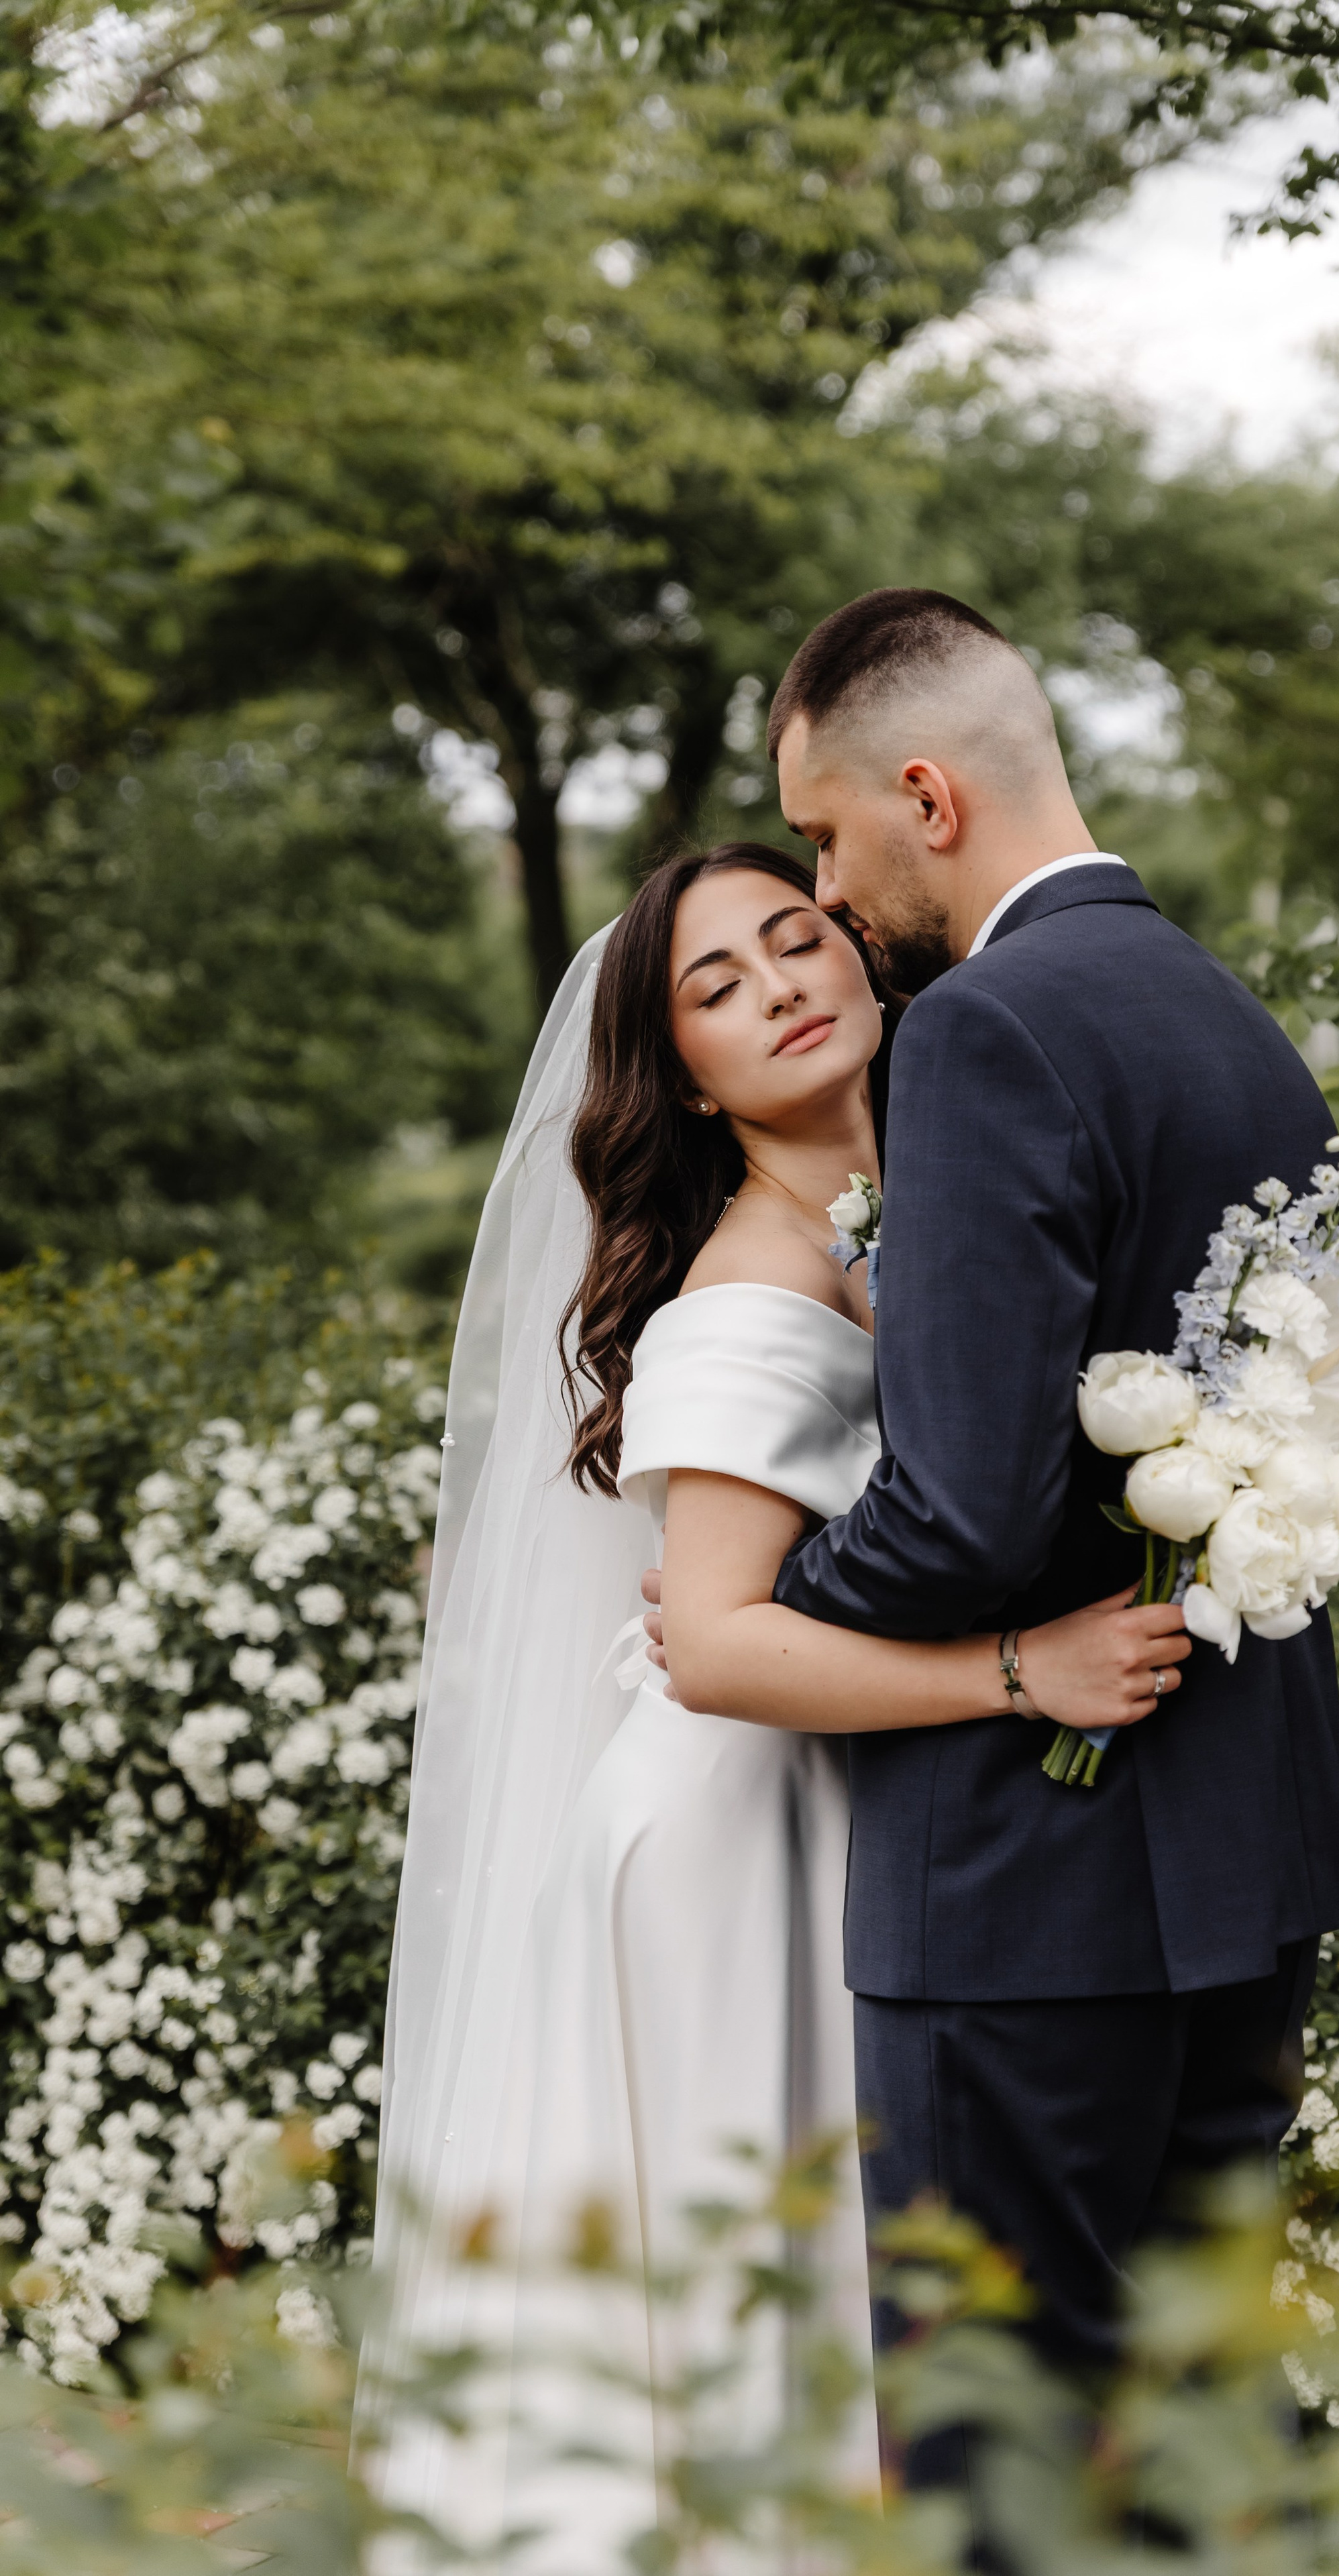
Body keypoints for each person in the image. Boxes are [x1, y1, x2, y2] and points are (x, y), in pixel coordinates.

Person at [372, 840, 1187, 2567]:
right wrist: (1015, 1673)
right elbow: (720, 1647)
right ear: (682, 1073)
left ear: (864, 956)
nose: (782, 988)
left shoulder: (913, 1204)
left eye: (795, 938)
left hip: (834, 1795)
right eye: (717, 988)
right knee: (769, 2299)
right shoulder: (744, 1290)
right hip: (726, 1830)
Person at [645, 589, 1339, 2429]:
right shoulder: (1226, 1014)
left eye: (824, 835)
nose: (829, 884)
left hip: (1030, 1890)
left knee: (1007, 2466)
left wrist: (770, 1601)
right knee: (1191, 2444)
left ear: (924, 795)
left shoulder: (981, 1031)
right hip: (1240, 1846)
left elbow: (966, 1515)